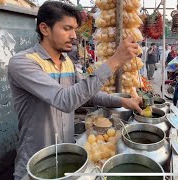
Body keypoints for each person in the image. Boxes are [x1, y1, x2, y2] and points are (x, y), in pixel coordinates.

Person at [8, 2, 143, 179]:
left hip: (67, 158)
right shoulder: (23, 63)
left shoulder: (67, 63)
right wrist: (114, 61)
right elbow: (64, 100)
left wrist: (123, 101)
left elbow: (88, 94)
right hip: (35, 165)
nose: (74, 36)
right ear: (44, 29)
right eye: (67, 28)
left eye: (75, 29)